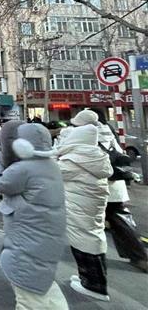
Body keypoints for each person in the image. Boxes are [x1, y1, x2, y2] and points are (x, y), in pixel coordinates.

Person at [0, 121, 69, 310]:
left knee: (28, 298)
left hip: (27, 241)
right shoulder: (51, 165)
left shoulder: (23, 169)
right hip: (46, 237)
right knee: (45, 287)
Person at [70, 109, 148, 273]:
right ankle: (138, 256)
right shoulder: (109, 131)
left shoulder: (85, 135)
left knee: (90, 224)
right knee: (120, 219)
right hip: (115, 185)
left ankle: (93, 266)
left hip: (95, 185)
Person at [56, 124, 113, 301]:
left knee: (83, 241)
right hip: (92, 204)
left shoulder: (73, 159)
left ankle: (94, 285)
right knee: (93, 239)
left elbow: (53, 173)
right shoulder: (96, 155)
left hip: (79, 206)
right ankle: (90, 279)